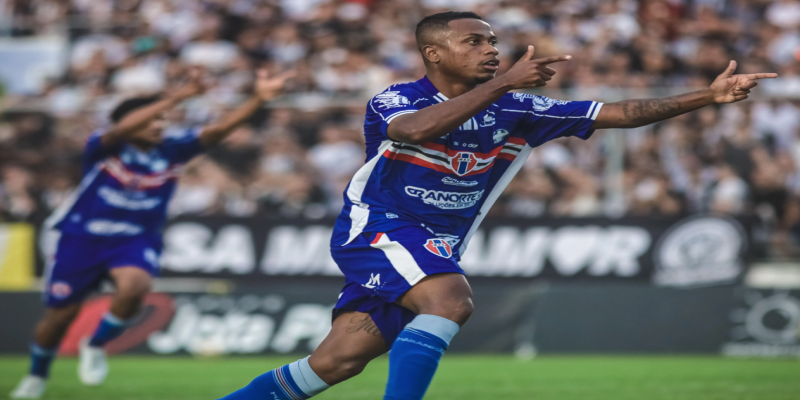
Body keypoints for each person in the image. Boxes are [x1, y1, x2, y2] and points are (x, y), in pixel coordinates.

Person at [220, 11, 775, 400]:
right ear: (434, 53)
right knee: (450, 300)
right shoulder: (399, 98)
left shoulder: (518, 109)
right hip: (379, 228)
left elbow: (619, 113)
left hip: (434, 242)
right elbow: (413, 131)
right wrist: (503, 83)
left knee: (336, 362)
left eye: (492, 42)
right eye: (475, 42)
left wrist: (707, 96)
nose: (491, 50)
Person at [10, 68, 294, 399]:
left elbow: (219, 130)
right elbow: (122, 129)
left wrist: (258, 99)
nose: (159, 125)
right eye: (151, 120)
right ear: (128, 124)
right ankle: (36, 375)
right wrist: (176, 97)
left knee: (135, 286)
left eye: (162, 120)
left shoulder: (172, 150)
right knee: (59, 318)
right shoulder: (104, 146)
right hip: (81, 239)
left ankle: (96, 343)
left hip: (134, 238)